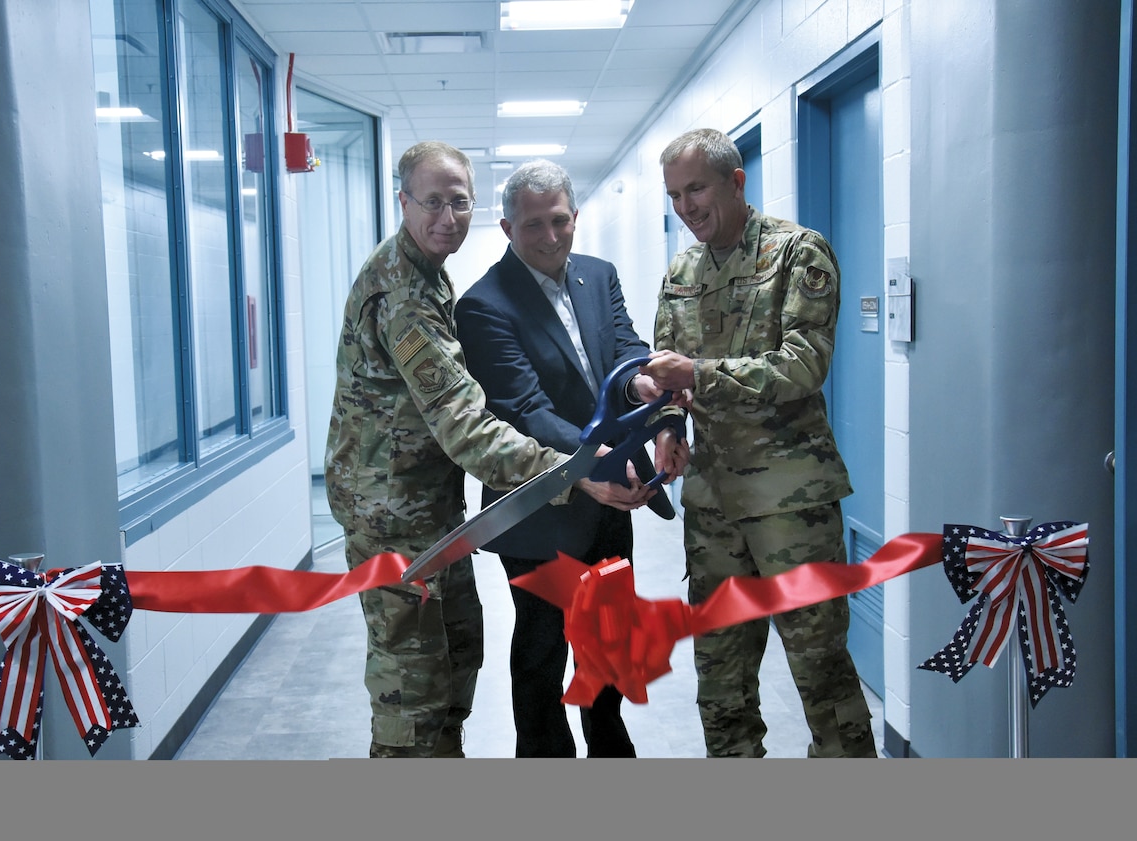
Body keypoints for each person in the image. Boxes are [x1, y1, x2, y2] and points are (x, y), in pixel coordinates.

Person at [324, 141, 649, 758]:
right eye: (431, 202)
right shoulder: (408, 298)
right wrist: (576, 471)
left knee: (456, 663)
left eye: (458, 202)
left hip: (433, 510)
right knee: (412, 692)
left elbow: (625, 351)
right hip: (393, 517)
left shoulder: (429, 275)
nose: (447, 218)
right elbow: (472, 425)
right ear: (403, 202)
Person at [639, 128, 877, 758]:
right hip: (714, 506)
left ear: (736, 181)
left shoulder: (799, 254)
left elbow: (803, 366)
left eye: (697, 188)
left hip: (789, 502)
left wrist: (700, 375)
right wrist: (667, 424)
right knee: (721, 683)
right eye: (674, 195)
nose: (686, 207)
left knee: (820, 673)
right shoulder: (680, 273)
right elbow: (667, 374)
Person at [455, 159, 687, 757]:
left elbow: (627, 344)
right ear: (508, 229)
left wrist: (641, 382)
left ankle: (610, 752)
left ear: (575, 217)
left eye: (560, 220)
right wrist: (595, 465)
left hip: (612, 502)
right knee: (542, 652)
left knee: (609, 641)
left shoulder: (596, 275)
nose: (551, 236)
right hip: (542, 512)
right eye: (534, 225)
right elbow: (524, 408)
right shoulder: (485, 304)